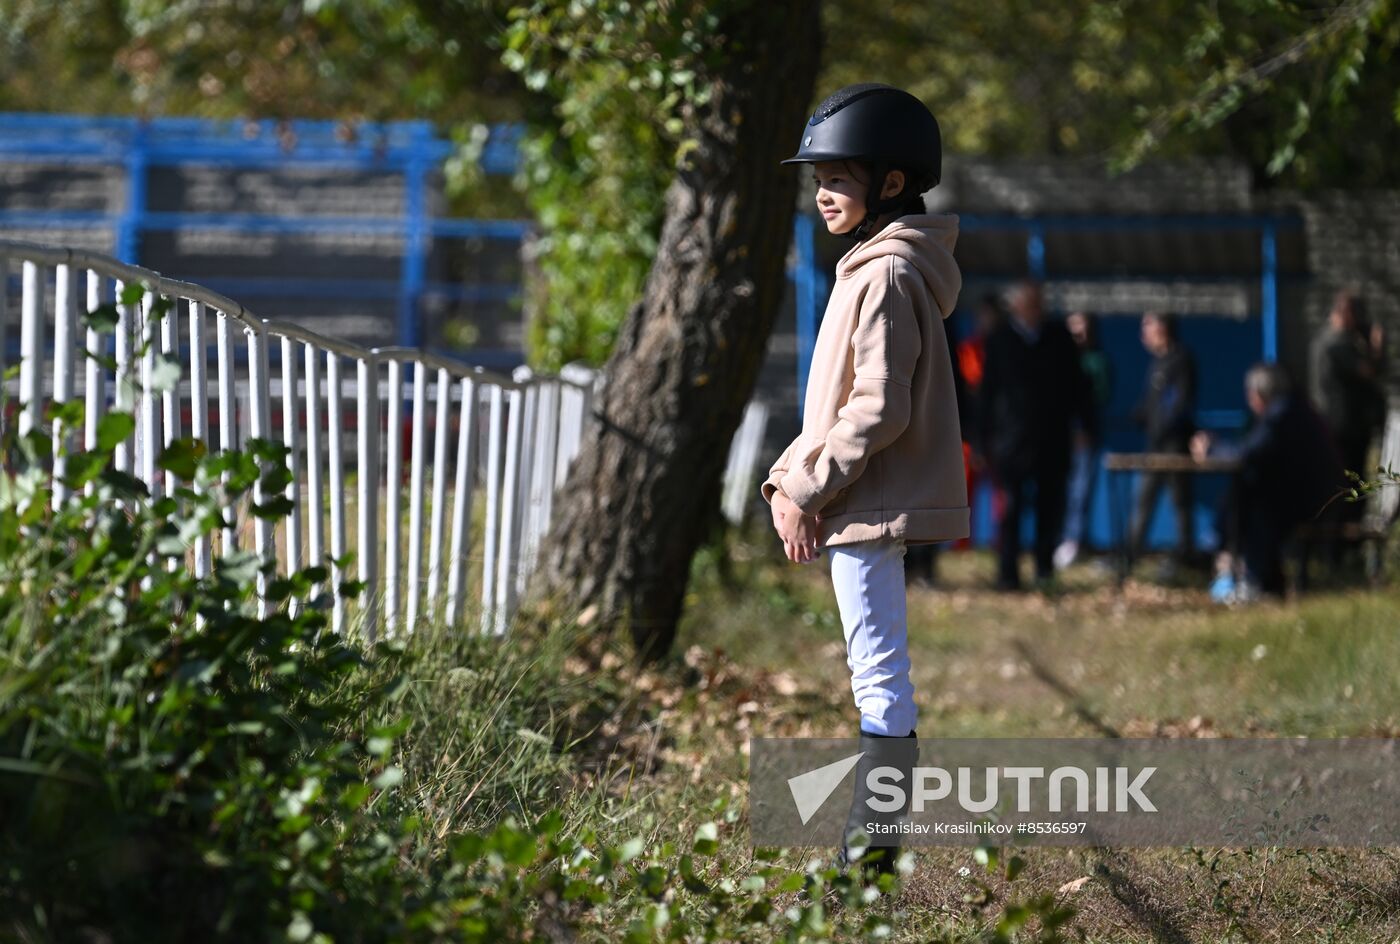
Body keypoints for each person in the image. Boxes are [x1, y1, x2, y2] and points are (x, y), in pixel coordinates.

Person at [760, 83, 967, 879]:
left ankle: (868, 860)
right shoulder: (871, 268)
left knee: (879, 678)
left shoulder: (882, 276)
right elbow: (835, 410)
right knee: (874, 674)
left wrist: (809, 488)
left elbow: (877, 408)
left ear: (890, 182)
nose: (821, 195)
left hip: (865, 506)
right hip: (856, 500)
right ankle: (868, 856)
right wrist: (791, 482)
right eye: (817, 181)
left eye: (837, 179)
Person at [978, 280, 1097, 590]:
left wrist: (1085, 425)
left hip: (1052, 442)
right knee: (1011, 511)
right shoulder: (1000, 341)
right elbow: (988, 393)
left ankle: (1044, 571)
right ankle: (1008, 574)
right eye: (1030, 302)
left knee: (1050, 508)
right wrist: (981, 438)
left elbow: (1077, 386)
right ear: (1017, 306)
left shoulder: (1059, 338)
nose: (1037, 309)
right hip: (1012, 444)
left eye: (1039, 302)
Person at [1191, 364, 1347, 600]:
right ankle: (1243, 567)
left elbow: (1248, 453)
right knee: (1245, 492)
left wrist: (1212, 448)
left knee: (1251, 503)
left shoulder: (1281, 415)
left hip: (1315, 502)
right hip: (1317, 495)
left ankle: (1237, 563)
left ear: (1259, 394)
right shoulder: (1293, 408)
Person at [1129, 311, 1197, 570]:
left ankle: (1186, 555)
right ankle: (1132, 554)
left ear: (1163, 327)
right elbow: (1151, 403)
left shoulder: (1181, 359)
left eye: (1147, 325)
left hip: (1174, 445)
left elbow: (1178, 403)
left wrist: (1165, 426)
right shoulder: (1156, 362)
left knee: (1181, 501)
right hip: (1155, 445)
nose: (1143, 333)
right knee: (1143, 499)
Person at [1309, 289, 1386, 515]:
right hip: (1346, 428)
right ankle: (1346, 540)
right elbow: (1369, 371)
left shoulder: (1322, 340)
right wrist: (1376, 347)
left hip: (1332, 424)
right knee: (1351, 486)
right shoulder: (1337, 343)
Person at [1055, 310, 1112, 569]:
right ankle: (1064, 538)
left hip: (1084, 436)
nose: (1079, 333)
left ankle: (1075, 540)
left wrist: (1083, 428)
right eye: (1074, 327)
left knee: (1081, 490)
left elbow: (1098, 396)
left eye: (1083, 327)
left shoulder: (1097, 361)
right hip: (1060, 435)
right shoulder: (1061, 358)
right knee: (1063, 490)